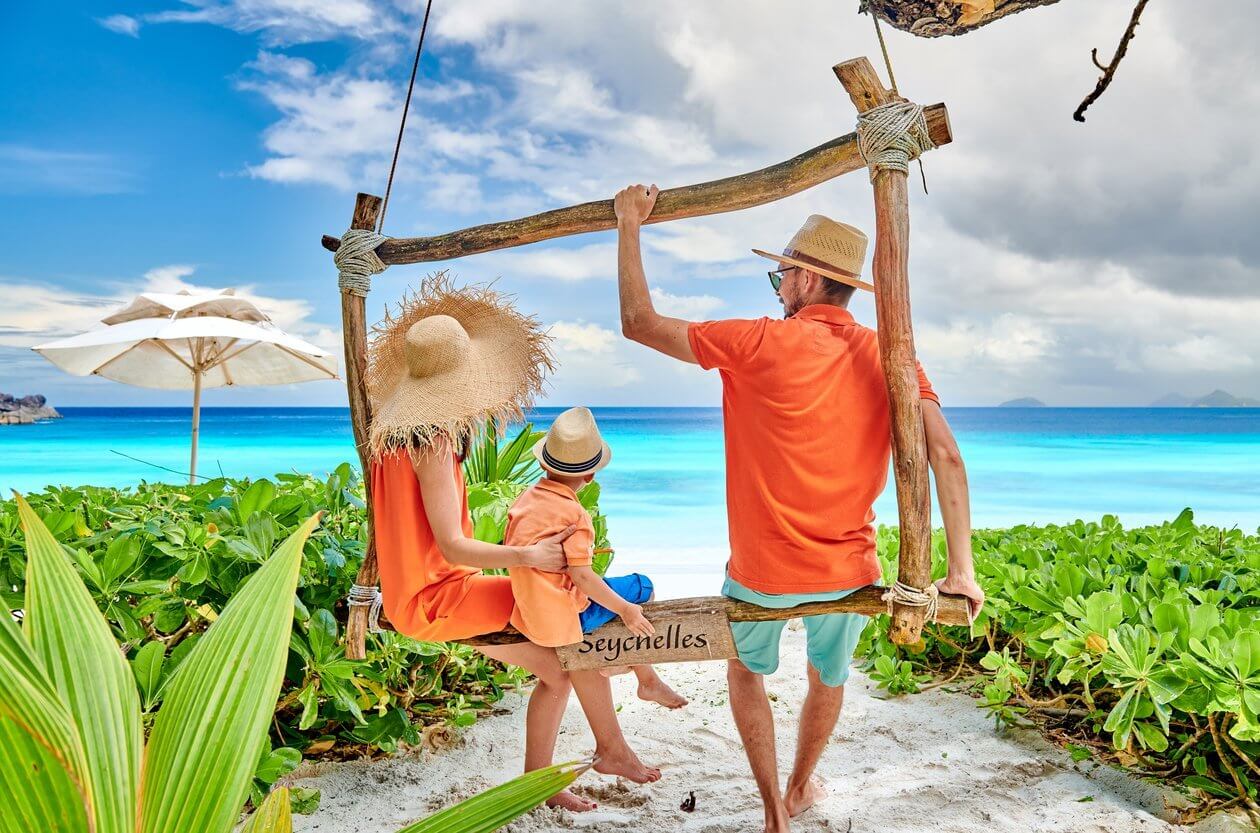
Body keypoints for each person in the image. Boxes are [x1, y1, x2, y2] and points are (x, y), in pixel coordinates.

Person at [612, 184, 986, 832]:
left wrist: (628, 224)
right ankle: (800, 783)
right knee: (827, 675)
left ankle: (771, 811)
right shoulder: (890, 357)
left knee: (744, 671)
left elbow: (639, 322)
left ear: (808, 279)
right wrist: (961, 571)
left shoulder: (756, 342)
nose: (777, 287)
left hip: (762, 572)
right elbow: (947, 457)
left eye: (780, 275)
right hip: (850, 569)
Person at [366, 276, 594, 812]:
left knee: (559, 654)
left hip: (423, 590)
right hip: (431, 600)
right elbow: (452, 546)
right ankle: (548, 783)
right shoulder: (431, 443)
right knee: (562, 660)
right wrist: (529, 555)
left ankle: (559, 774)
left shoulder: (390, 435)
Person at [506, 407, 686, 779]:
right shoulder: (575, 517)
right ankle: (646, 679)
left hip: (528, 613)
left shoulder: (526, 501)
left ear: (545, 464)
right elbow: (583, 577)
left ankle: (633, 676)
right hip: (564, 619)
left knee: (617, 600)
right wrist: (626, 610)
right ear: (589, 474)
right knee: (642, 587)